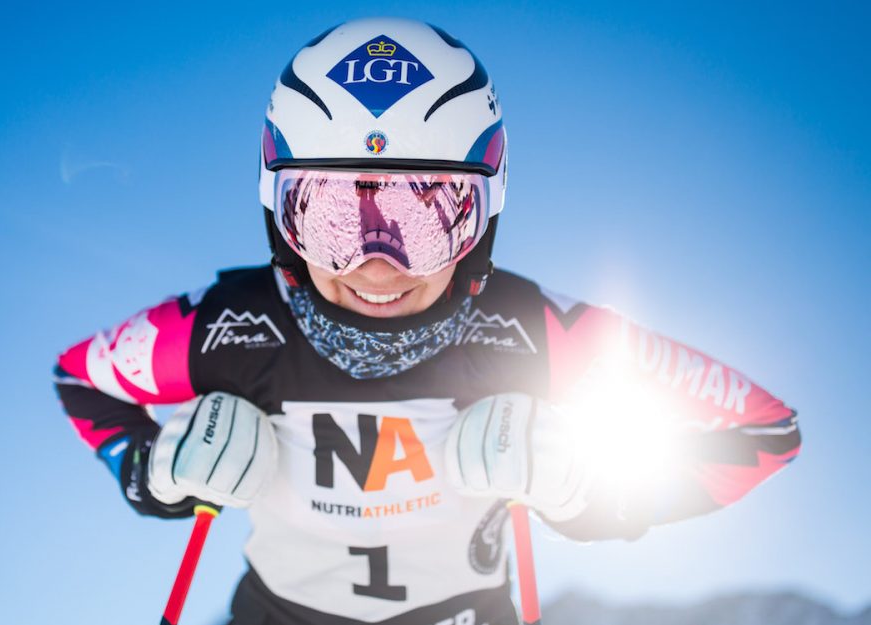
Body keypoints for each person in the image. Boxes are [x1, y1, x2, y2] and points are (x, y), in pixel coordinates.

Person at [53, 17, 801, 625]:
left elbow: (765, 434)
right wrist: (152, 470)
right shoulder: (230, 327)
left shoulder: (528, 332)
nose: (378, 267)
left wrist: (585, 490)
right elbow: (79, 380)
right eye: (331, 215)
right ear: (279, 218)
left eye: (428, 217)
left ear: (484, 220)